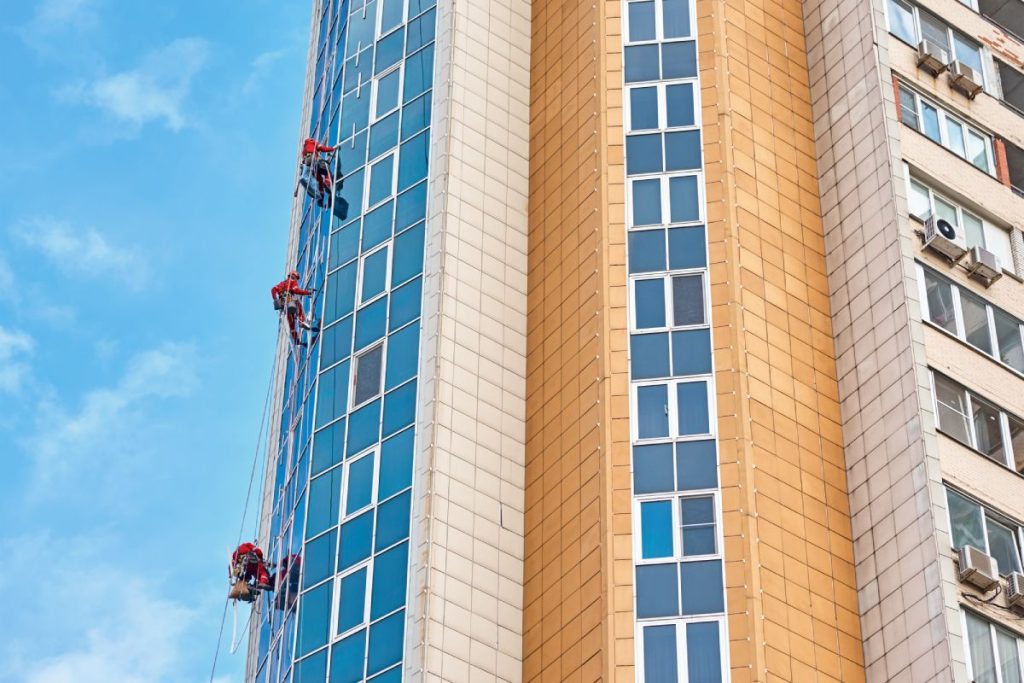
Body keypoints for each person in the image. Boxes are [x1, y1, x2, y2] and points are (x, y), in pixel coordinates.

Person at [271, 271, 317, 346]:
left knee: (291, 321)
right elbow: (296, 290)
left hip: (283, 304)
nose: (296, 280)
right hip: (290, 301)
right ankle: (301, 322)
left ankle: (296, 340)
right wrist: (307, 292)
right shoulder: (292, 282)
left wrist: (275, 299)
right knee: (299, 306)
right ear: (293, 276)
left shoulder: (281, 284)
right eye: (296, 278)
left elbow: (273, 289)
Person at [300, 137, 337, 207]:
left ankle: (320, 198)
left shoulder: (304, 151)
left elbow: (304, 160)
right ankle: (327, 183)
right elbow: (322, 148)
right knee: (326, 171)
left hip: (311, 168)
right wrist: (332, 149)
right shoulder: (312, 143)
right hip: (316, 162)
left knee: (319, 181)